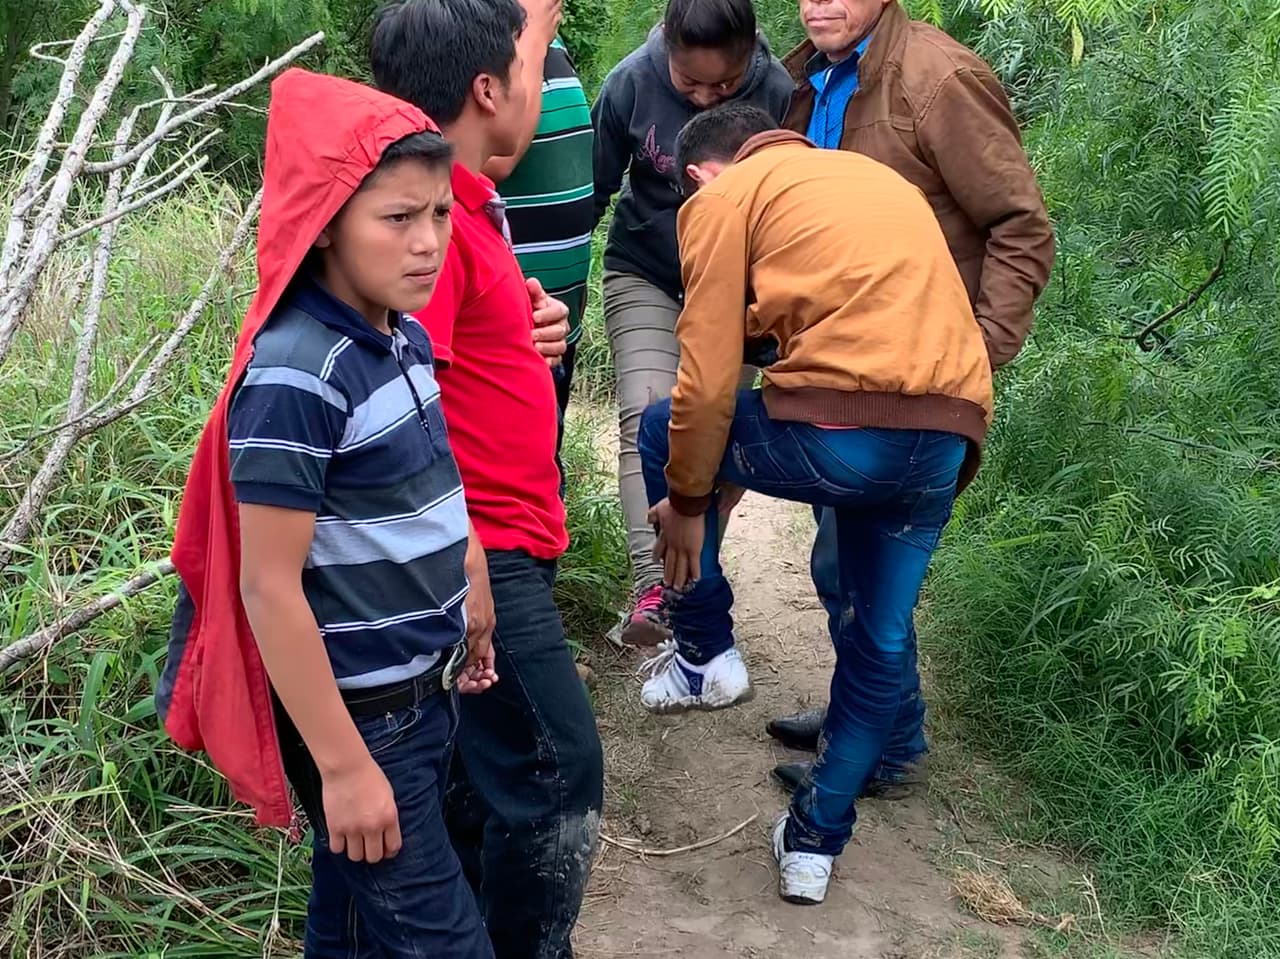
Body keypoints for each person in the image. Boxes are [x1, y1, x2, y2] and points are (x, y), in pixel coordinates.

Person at [158, 68, 497, 957]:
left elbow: (424, 479)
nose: (428, 242)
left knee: (350, 926)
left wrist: (472, 577)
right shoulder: (298, 373)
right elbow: (268, 586)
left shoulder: (400, 333)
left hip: (422, 695)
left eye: (440, 214)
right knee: (447, 942)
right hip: (363, 718)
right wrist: (344, 767)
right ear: (325, 225)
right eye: (397, 219)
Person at [635, 103, 993, 903]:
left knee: (662, 428)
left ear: (700, 173)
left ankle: (702, 654)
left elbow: (706, 378)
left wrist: (690, 498)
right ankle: (814, 841)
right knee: (880, 632)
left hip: (844, 431)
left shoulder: (722, 200)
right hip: (945, 435)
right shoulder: (872, 178)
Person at [766, 0, 1056, 797]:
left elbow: (1021, 227)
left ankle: (887, 747)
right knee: (845, 559)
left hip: (916, 378)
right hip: (837, 368)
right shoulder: (803, 76)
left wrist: (977, 356)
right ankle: (878, 721)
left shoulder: (938, 78)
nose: (819, 3)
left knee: (855, 562)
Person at [370, 3, 604, 957]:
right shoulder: (433, 228)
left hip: (503, 543)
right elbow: (400, 399)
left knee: (482, 775)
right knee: (558, 773)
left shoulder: (463, 215)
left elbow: (454, 354)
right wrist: (464, 551)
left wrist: (527, 319)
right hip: (484, 553)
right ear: (488, 90)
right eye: (528, 68)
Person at [591, 0, 794, 647]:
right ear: (667, 49)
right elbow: (590, 193)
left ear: (752, 54)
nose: (706, 98)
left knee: (712, 426)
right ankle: (653, 583)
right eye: (689, 85)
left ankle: (691, 585)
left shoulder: (781, 92)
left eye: (724, 87)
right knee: (645, 414)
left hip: (737, 287)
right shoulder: (629, 83)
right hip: (648, 269)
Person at [481, 0, 595, 472]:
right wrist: (531, 37)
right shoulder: (484, 37)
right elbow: (496, 156)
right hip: (509, 318)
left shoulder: (547, 39)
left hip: (556, 314)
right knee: (517, 467)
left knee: (546, 459)